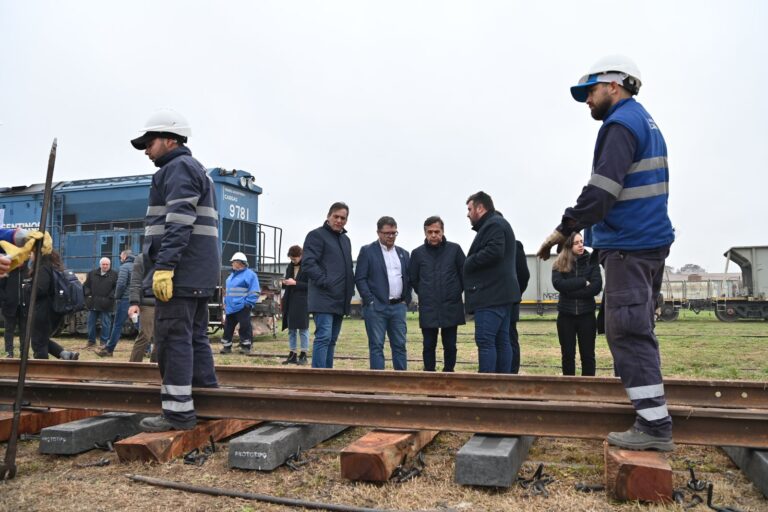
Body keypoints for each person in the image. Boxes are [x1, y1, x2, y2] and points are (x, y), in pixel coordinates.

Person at [537, 55, 675, 451]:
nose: (587, 102)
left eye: (591, 92)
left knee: (627, 330)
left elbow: (602, 191)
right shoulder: (646, 122)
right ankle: (651, 413)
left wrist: (564, 228)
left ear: (613, 86)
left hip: (630, 245)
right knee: (636, 329)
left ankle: (653, 426)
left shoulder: (620, 125)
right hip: (646, 241)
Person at [131, 108, 220, 432]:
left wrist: (164, 266)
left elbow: (179, 221)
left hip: (180, 271)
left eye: (149, 141)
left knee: (171, 339)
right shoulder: (194, 168)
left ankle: (178, 413)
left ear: (170, 140)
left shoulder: (177, 168)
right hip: (198, 271)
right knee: (195, 337)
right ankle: (208, 402)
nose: (145, 149)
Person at [464, 191, 520, 374]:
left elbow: (494, 251)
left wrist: (469, 261)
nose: (468, 214)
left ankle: (486, 387)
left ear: (480, 208)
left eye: (470, 209)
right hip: (501, 296)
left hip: (491, 296)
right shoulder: (497, 223)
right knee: (501, 340)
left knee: (486, 341)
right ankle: (502, 386)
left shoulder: (494, 224)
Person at [409, 216, 465, 372]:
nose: (433, 235)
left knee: (450, 345)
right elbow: (414, 279)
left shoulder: (455, 250)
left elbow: (464, 274)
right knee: (428, 345)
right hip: (429, 306)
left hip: (450, 305)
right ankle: (429, 375)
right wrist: (427, 293)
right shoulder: (417, 253)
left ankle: (449, 373)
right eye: (430, 232)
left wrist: (453, 292)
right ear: (425, 233)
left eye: (437, 231)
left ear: (443, 231)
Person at [301, 202, 354, 369]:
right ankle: (318, 380)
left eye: (343, 218)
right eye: (336, 216)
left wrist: (349, 290)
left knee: (332, 340)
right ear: (328, 216)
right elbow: (308, 263)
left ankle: (328, 377)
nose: (339, 220)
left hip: (340, 298)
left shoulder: (345, 240)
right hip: (323, 296)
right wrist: (325, 282)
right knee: (323, 337)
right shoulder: (316, 235)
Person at [355, 216, 411, 371]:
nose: (391, 236)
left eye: (394, 233)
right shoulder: (367, 251)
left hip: (398, 307)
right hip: (376, 308)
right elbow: (360, 278)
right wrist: (370, 300)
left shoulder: (404, 254)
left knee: (400, 345)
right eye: (387, 233)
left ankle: (400, 384)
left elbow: (409, 278)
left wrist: (406, 299)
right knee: (376, 346)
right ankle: (378, 385)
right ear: (378, 232)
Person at [551, 232, 602, 376]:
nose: (581, 245)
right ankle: (568, 390)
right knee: (567, 356)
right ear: (568, 245)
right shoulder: (559, 263)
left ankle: (588, 389)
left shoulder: (592, 261)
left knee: (588, 356)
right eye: (576, 243)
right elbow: (558, 283)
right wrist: (582, 282)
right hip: (566, 316)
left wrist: (570, 291)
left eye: (581, 241)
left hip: (587, 316)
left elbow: (596, 286)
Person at [23, 251, 79, 360]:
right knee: (42, 339)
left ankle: (42, 371)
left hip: (43, 311)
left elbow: (40, 290)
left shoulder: (43, 268)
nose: (30, 255)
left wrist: (26, 287)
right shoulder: (55, 267)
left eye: (32, 253)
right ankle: (65, 354)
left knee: (38, 343)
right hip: (53, 309)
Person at [220, 252, 260, 355]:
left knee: (244, 327)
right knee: (228, 327)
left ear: (240, 263)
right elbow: (228, 291)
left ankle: (246, 346)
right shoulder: (231, 276)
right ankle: (226, 347)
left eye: (233, 262)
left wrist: (248, 303)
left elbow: (255, 291)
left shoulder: (250, 275)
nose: (232, 264)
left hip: (242, 306)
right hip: (231, 307)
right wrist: (225, 303)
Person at [98, 250, 135, 357]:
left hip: (124, 300)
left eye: (120, 257)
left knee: (117, 324)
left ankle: (109, 350)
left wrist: (117, 296)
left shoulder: (124, 267)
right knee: (138, 324)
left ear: (124, 257)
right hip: (136, 299)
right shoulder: (138, 265)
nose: (120, 259)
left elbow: (121, 284)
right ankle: (147, 348)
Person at [281, 245, 310, 365]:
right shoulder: (290, 266)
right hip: (290, 301)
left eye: (295, 259)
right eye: (291, 259)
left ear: (301, 256)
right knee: (291, 329)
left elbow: (311, 286)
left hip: (302, 302)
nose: (293, 261)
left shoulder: (308, 266)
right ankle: (292, 353)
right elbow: (289, 282)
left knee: (303, 329)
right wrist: (284, 283)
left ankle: (303, 354)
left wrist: (295, 283)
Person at [127, 253, 156, 363]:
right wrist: (134, 302)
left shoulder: (169, 254)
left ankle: (156, 370)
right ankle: (133, 369)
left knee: (162, 338)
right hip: (147, 301)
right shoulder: (141, 258)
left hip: (166, 302)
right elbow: (135, 282)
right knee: (145, 335)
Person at [83, 257, 117, 350]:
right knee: (90, 323)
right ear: (100, 265)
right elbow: (86, 286)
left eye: (107, 264)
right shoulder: (92, 274)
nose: (105, 266)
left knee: (106, 324)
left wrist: (110, 298)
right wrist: (88, 296)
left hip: (107, 304)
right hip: (93, 303)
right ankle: (91, 341)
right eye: (103, 264)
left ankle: (104, 342)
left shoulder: (115, 275)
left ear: (110, 265)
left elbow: (116, 288)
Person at [509, 240, 530, 373]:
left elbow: (523, 275)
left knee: (510, 339)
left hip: (510, 302)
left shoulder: (515, 245)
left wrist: (515, 295)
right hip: (496, 303)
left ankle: (512, 373)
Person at [1, 266, 27, 358]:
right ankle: (9, 352)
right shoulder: (8, 271)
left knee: (24, 330)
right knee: (9, 329)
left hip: (24, 306)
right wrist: (5, 300)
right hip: (9, 305)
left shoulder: (27, 271)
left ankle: (24, 352)